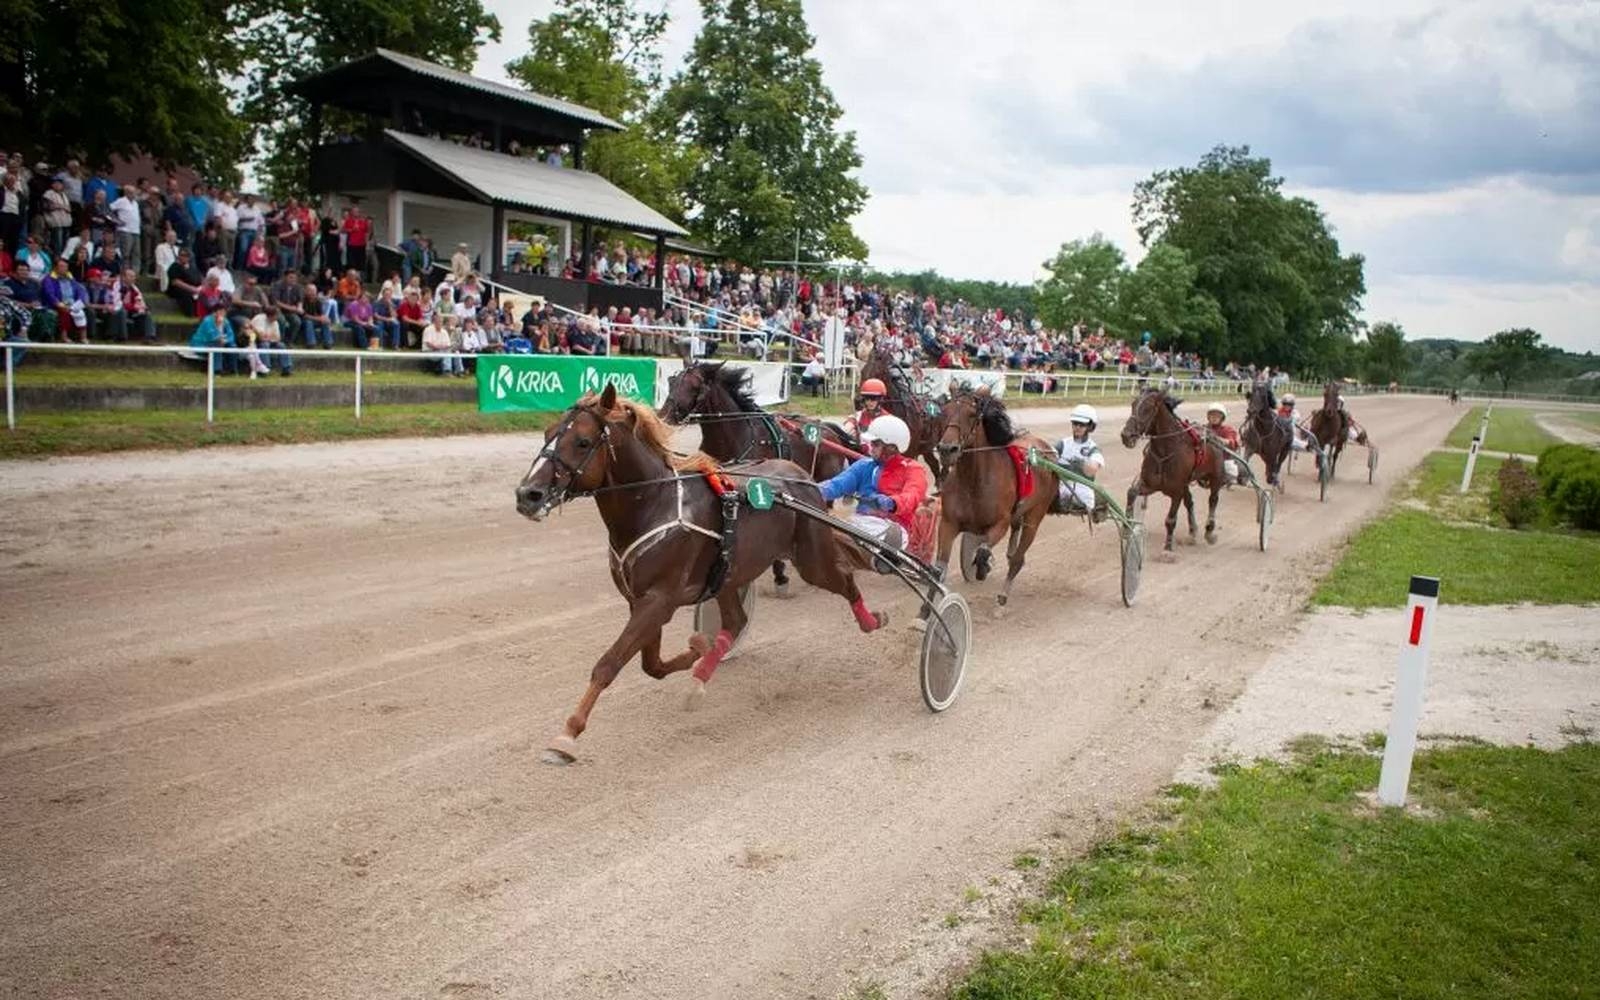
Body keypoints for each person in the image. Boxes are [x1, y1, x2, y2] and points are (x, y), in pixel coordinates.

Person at [818, 414, 928, 562]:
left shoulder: (913, 469)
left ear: (891, 447)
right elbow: (837, 484)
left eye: (876, 444)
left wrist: (891, 502)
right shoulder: (864, 466)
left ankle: (881, 554)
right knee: (831, 524)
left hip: (896, 528)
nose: (870, 448)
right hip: (861, 522)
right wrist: (815, 490)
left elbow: (912, 495)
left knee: (868, 530)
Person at [1054, 404, 1108, 520]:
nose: (1077, 427)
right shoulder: (1063, 444)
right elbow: (1050, 455)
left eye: (1082, 424)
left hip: (1083, 491)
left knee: (1082, 497)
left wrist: (1081, 462)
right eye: (1075, 423)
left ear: (1090, 426)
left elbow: (1092, 470)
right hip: (1061, 487)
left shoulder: (1093, 448)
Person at [1204, 402, 1249, 486]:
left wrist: (1222, 440)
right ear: (1208, 417)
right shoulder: (1204, 428)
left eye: (1217, 416)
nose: (1214, 418)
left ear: (1222, 418)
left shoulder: (1227, 429)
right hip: (1207, 459)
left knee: (1230, 468)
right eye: (1212, 415)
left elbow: (1232, 442)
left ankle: (1230, 479)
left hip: (1224, 458)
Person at [190, 303, 240, 375]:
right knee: (217, 345)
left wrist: (226, 341)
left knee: (232, 346)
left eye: (224, 312)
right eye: (221, 311)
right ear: (215, 312)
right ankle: (217, 370)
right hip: (203, 343)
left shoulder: (225, 321)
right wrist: (219, 325)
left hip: (221, 341)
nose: (223, 313)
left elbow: (231, 335)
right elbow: (212, 336)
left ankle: (232, 370)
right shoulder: (207, 321)